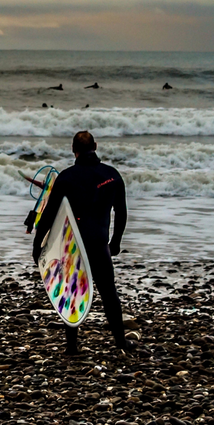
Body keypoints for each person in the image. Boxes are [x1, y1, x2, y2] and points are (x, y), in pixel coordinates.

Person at [33, 131, 132, 354]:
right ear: (95, 146)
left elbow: (49, 214)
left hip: (74, 245)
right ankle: (120, 342)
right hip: (99, 243)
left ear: (72, 149)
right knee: (109, 293)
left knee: (71, 291)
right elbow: (122, 212)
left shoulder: (66, 178)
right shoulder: (112, 175)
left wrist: (37, 244)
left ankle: (71, 347)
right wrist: (115, 241)